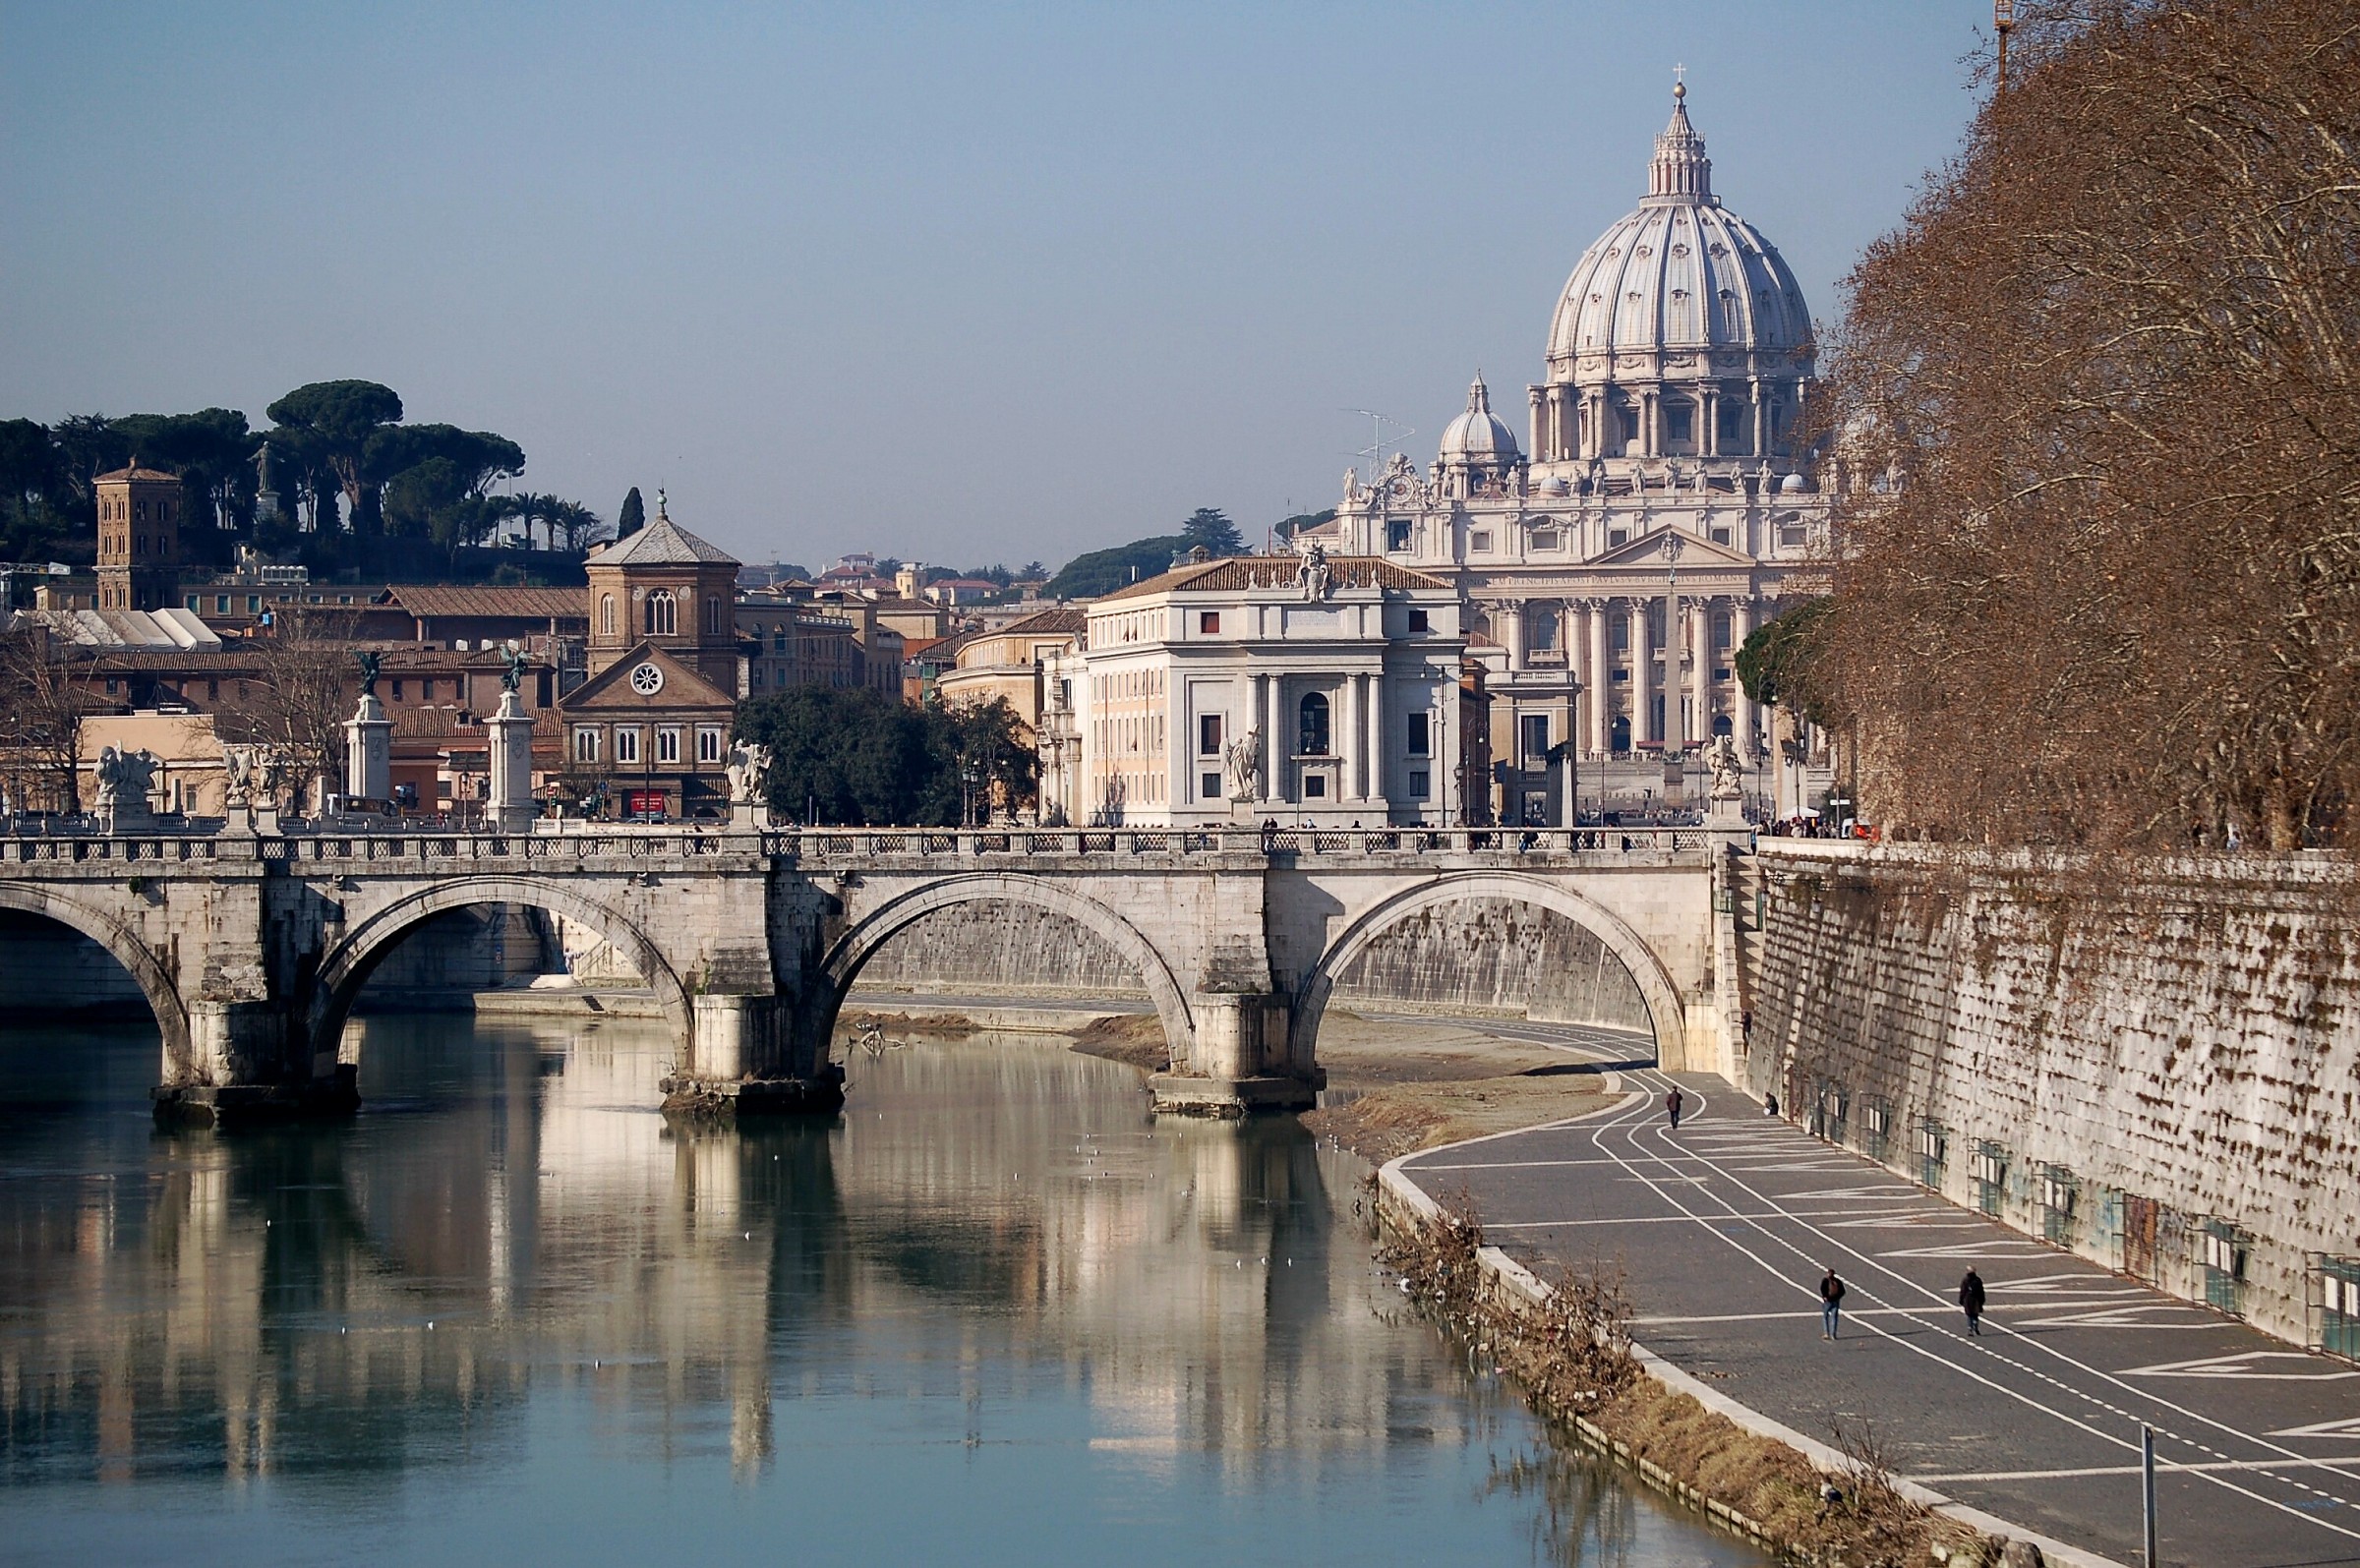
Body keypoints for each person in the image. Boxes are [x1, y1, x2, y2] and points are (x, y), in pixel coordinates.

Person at [1959, 1267, 1986, 1336]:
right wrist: (1982, 1300)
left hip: (1968, 1299)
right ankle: (1975, 1326)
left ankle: (1970, 1329)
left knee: (1969, 1315)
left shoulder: (1965, 1280)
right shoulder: (1978, 1280)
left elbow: (1963, 1291)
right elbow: (1981, 1291)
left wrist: (1961, 1300)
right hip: (1976, 1299)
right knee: (1975, 1315)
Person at [1820, 1267, 1846, 1339]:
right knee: (1834, 1318)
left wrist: (1825, 1297)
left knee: (1825, 1317)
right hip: (1836, 1301)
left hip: (1828, 1301)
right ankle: (1833, 1334)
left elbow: (1822, 1289)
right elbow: (1843, 1291)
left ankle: (1826, 1333)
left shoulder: (1825, 1280)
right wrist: (1837, 1298)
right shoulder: (1838, 1281)